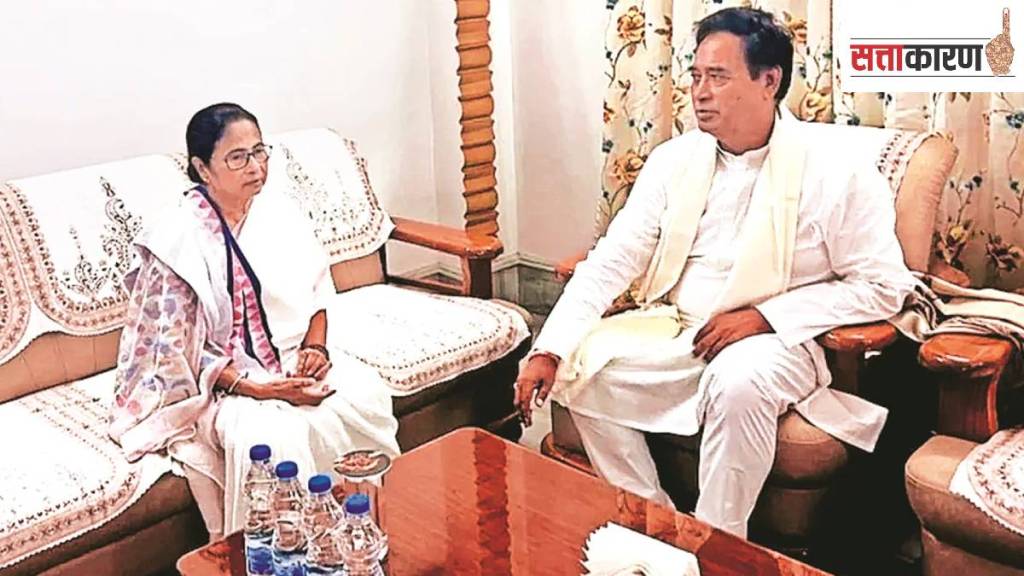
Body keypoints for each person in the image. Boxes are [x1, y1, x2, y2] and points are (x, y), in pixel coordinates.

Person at [516, 8, 917, 538]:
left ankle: (719, 541)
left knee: (738, 381)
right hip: (678, 328)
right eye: (696, 76)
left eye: (719, 77)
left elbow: (884, 286)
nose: (700, 93)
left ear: (769, 81)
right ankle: (652, 521)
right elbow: (613, 259)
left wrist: (765, 317)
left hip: (778, 342)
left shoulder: (836, 171)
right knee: (578, 360)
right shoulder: (673, 160)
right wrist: (548, 349)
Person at [109, 103, 400, 540]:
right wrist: (263, 390)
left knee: (364, 395)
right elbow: (173, 355)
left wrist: (315, 348)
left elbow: (318, 292)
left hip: (291, 358)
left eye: (260, 152)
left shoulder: (280, 212)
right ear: (202, 169)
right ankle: (289, 551)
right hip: (221, 383)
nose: (255, 167)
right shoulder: (178, 239)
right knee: (275, 439)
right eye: (237, 157)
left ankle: (361, 533)